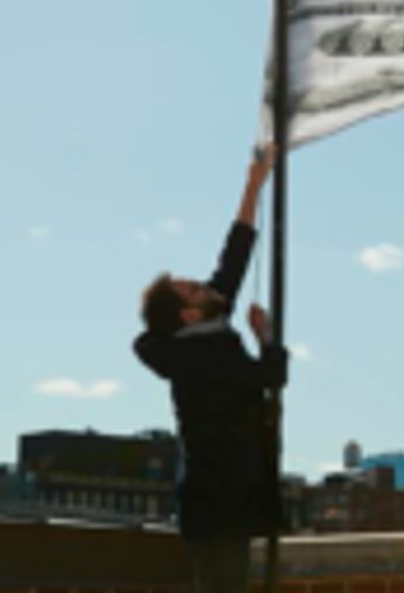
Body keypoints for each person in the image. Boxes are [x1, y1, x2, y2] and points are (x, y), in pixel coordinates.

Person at [134, 147, 287, 593]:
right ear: (188, 316)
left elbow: (233, 257)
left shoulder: (203, 333)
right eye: (193, 290)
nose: (203, 284)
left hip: (212, 493)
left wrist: (254, 184)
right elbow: (269, 378)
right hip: (226, 491)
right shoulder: (204, 355)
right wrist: (267, 338)